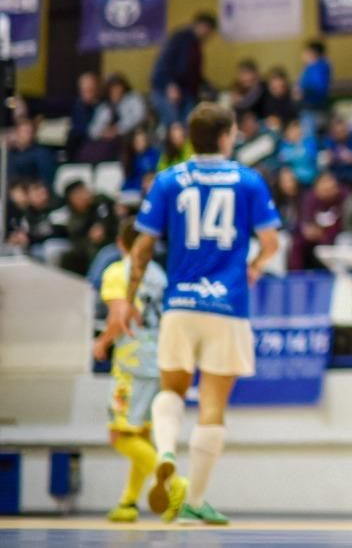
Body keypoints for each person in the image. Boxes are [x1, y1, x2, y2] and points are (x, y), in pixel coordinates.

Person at [121, 103, 282, 527]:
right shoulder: (249, 180)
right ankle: (194, 499)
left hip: (180, 306)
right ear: (228, 135)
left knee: (171, 389)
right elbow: (271, 242)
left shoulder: (168, 181)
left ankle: (167, 450)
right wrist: (255, 266)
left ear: (190, 138)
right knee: (212, 407)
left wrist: (128, 298)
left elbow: (141, 248)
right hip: (227, 305)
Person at [93, 219, 169, 523]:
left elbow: (118, 316)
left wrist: (101, 342)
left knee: (120, 435)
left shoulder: (117, 271)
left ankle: (175, 485)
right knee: (142, 435)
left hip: (131, 361)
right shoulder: (159, 275)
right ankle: (128, 502)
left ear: (121, 243)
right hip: (159, 360)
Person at [149, 12, 218, 129]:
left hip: (186, 92)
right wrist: (170, 84)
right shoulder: (180, 38)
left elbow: (195, 74)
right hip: (166, 90)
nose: (208, 35)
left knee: (187, 127)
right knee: (173, 127)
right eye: (208, 31)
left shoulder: (196, 44)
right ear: (202, 26)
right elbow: (164, 63)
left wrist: (210, 87)